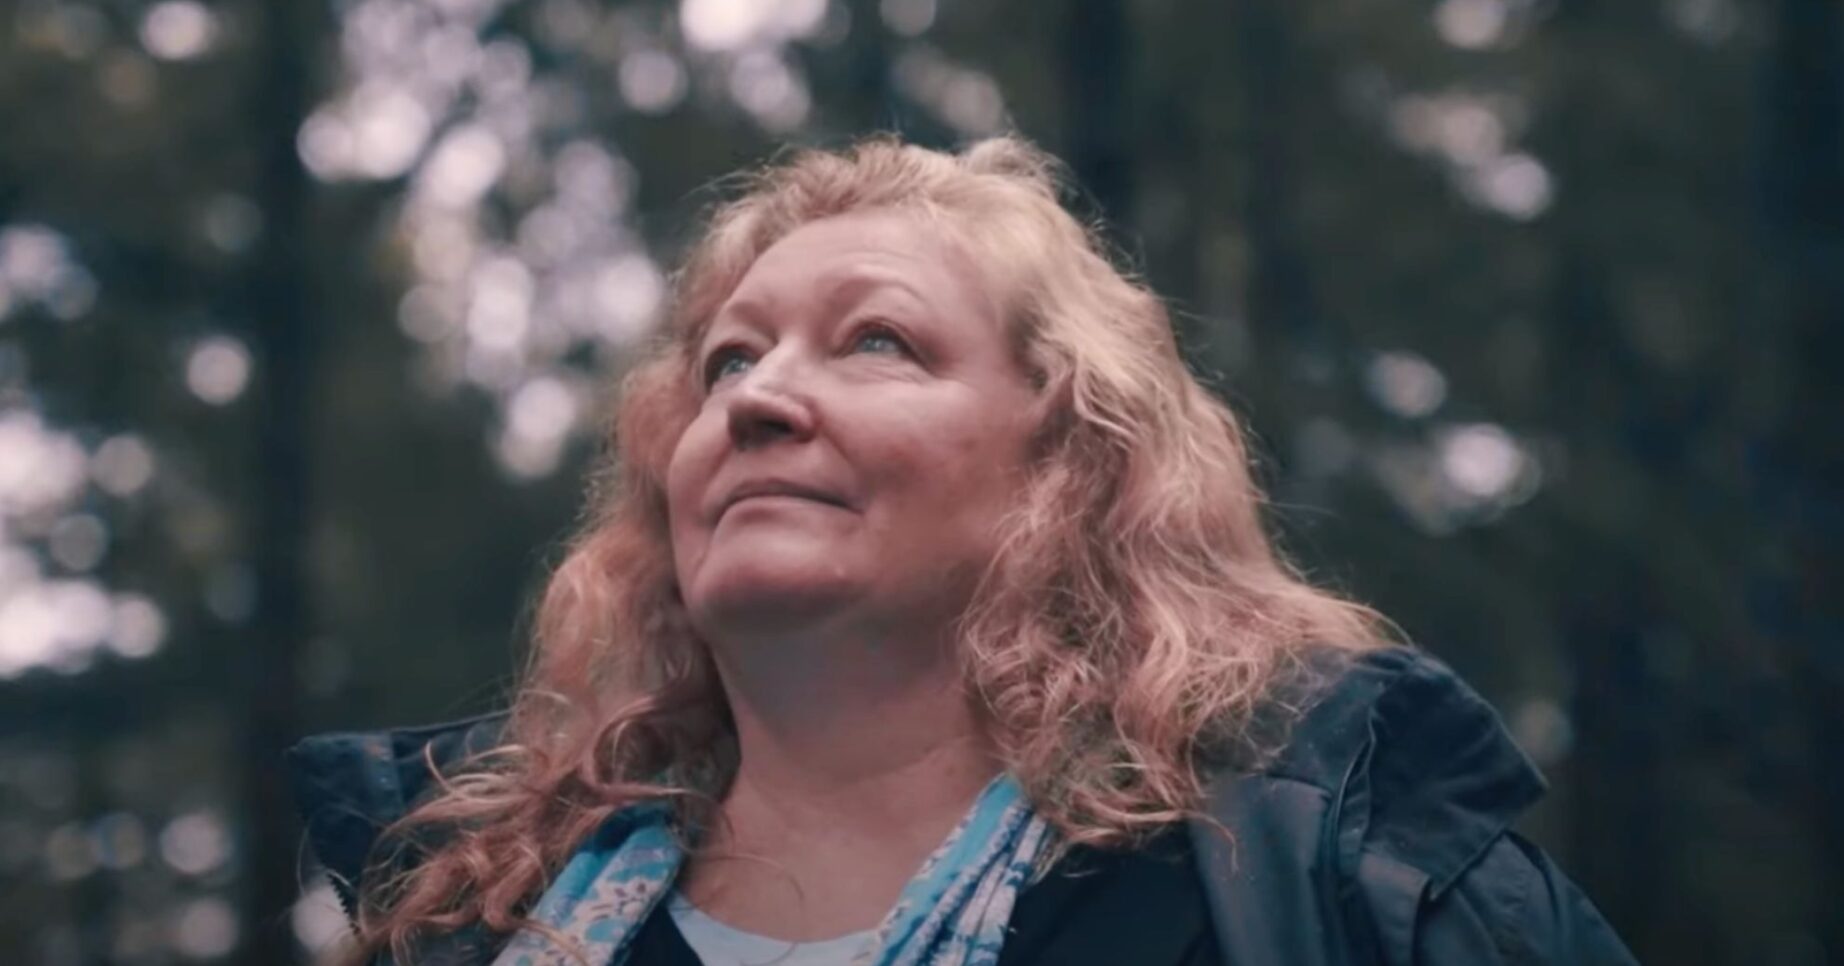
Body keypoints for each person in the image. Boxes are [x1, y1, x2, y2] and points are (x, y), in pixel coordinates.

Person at [289, 136, 1637, 966]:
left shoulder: (1332, 871)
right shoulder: (466, 922)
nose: (754, 398)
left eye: (880, 340)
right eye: (727, 361)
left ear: (1067, 458)